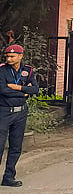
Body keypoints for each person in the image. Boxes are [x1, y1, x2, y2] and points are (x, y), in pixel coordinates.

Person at [0, 44, 39, 187]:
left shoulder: (27, 70)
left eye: (12, 56)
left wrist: (17, 87)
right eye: (7, 56)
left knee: (16, 147)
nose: (8, 59)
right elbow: (3, 90)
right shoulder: (2, 70)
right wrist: (24, 92)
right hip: (4, 111)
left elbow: (35, 89)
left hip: (21, 112)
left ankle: (8, 177)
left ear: (20, 56)